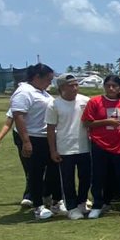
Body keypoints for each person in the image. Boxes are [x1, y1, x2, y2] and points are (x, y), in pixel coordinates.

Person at [82, 75, 120, 218]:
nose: (111, 88)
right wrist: (106, 122)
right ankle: (98, 204)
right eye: (108, 85)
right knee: (98, 176)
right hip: (100, 144)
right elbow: (87, 122)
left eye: (114, 86)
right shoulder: (95, 101)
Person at [10, 63, 61, 220]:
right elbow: (18, 116)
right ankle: (38, 206)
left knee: (53, 170)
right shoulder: (24, 92)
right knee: (35, 172)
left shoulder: (42, 92)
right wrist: (26, 141)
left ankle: (53, 200)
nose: (49, 83)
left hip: (47, 137)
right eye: (48, 79)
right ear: (36, 77)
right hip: (32, 137)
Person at [47, 72, 91, 220]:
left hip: (85, 146)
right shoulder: (54, 104)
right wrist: (53, 150)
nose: (74, 88)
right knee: (68, 180)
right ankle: (71, 207)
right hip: (65, 148)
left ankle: (82, 202)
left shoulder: (86, 101)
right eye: (70, 85)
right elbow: (50, 129)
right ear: (61, 88)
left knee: (85, 177)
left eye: (76, 84)